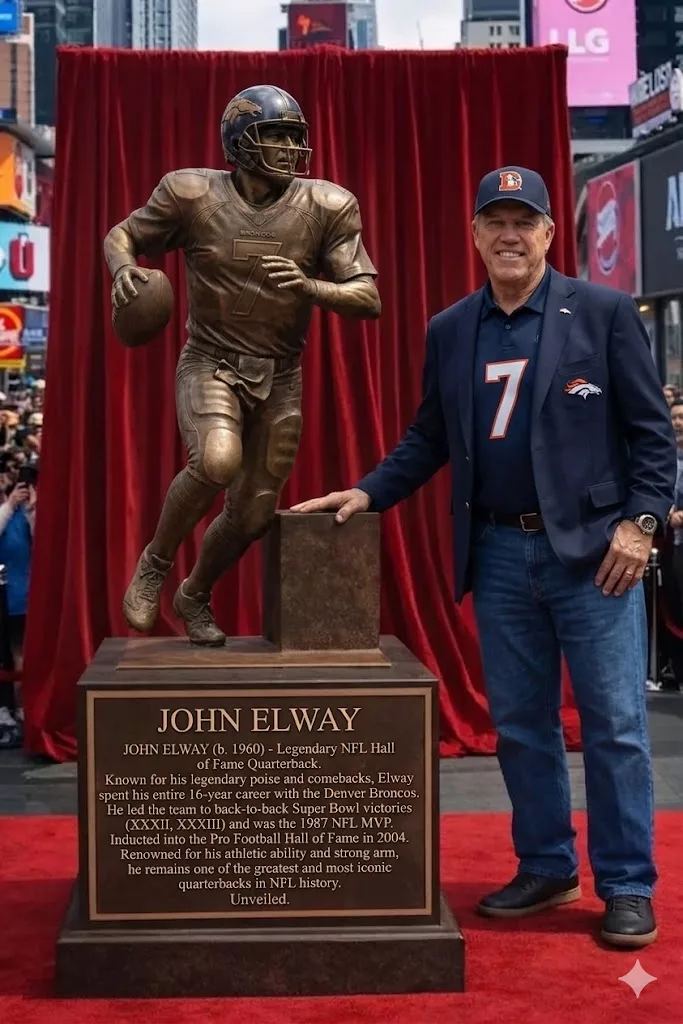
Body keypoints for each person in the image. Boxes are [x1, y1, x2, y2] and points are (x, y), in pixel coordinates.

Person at [292, 166, 676, 949]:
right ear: (473, 234)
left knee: (613, 725)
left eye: (522, 221)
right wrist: (366, 492)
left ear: (548, 233)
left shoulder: (600, 313)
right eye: (494, 221)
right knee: (521, 725)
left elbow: (651, 436)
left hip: (595, 556)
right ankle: (546, 865)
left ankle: (626, 883)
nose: (508, 235)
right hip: (497, 550)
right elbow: (428, 438)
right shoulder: (450, 329)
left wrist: (639, 526)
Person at [104, 85, 380, 646]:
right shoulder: (191, 193)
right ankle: (155, 564)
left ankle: (194, 593)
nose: (288, 148)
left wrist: (311, 286)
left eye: (293, 136)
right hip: (211, 360)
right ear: (238, 142)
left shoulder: (327, 204)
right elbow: (123, 235)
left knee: (254, 515)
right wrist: (123, 269)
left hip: (281, 374)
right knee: (217, 459)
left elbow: (367, 297)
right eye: (274, 135)